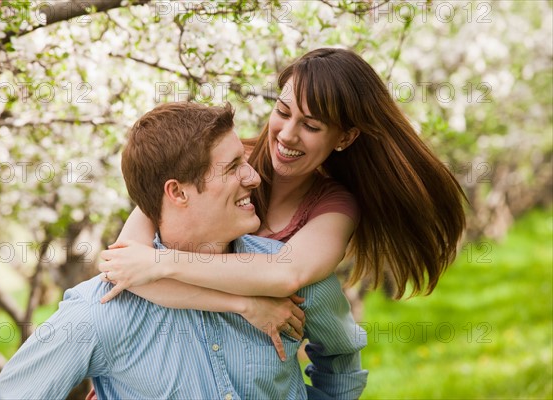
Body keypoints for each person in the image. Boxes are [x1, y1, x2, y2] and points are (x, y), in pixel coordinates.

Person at [0, 102, 368, 399]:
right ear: (177, 192)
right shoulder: (101, 313)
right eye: (234, 167)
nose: (255, 177)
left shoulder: (289, 279)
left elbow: (341, 361)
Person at [98, 48, 466, 307]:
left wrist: (161, 264)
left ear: (345, 137)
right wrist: (246, 307)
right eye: (283, 111)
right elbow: (124, 269)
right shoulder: (216, 165)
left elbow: (285, 274)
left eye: (311, 125)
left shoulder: (333, 207)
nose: (288, 134)